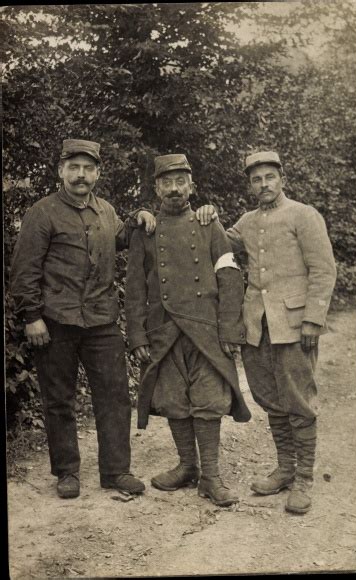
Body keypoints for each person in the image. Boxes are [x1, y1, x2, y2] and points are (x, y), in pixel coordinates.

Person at [10, 139, 156, 499]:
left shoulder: (106, 211)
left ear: (98, 173)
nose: (81, 175)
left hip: (102, 321)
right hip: (55, 322)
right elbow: (23, 271)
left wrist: (138, 219)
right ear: (61, 171)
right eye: (74, 167)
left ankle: (116, 471)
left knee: (115, 396)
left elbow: (118, 239)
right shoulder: (42, 213)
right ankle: (67, 472)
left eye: (88, 168)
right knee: (59, 399)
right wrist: (32, 317)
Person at [196, 150, 337, 514]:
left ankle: (304, 478)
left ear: (281, 178)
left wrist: (312, 319)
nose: (264, 184)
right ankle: (285, 469)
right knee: (270, 399)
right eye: (256, 179)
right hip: (256, 326)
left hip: (293, 325)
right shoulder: (246, 220)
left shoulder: (303, 215)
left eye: (269, 177)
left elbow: (323, 270)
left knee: (299, 400)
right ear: (250, 185)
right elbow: (216, 244)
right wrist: (206, 213)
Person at [125, 153, 251, 507]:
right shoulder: (145, 230)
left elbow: (229, 277)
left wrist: (230, 330)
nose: (175, 189)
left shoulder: (208, 224)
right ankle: (187, 466)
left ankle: (211, 477)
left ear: (192, 187)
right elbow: (135, 287)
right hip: (163, 330)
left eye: (181, 182)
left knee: (209, 401)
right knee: (173, 400)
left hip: (206, 330)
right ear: (156, 188)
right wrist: (137, 336)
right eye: (167, 182)